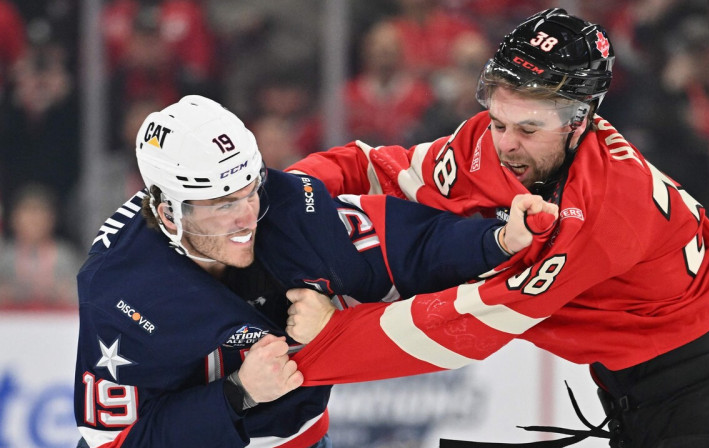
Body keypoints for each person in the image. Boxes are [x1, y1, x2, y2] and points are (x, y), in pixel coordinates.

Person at [284, 8, 709, 448]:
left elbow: (472, 326)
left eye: (528, 130)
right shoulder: (494, 142)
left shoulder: (603, 207)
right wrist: (277, 196)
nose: (506, 144)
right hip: (635, 399)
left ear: (580, 121)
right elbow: (381, 168)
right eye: (499, 121)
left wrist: (326, 341)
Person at [73, 95, 552, 447]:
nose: (245, 217)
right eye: (222, 205)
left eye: (248, 190)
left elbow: (408, 245)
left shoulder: (288, 210)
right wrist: (238, 395)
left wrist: (496, 240)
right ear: (169, 213)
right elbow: (119, 441)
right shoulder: (119, 289)